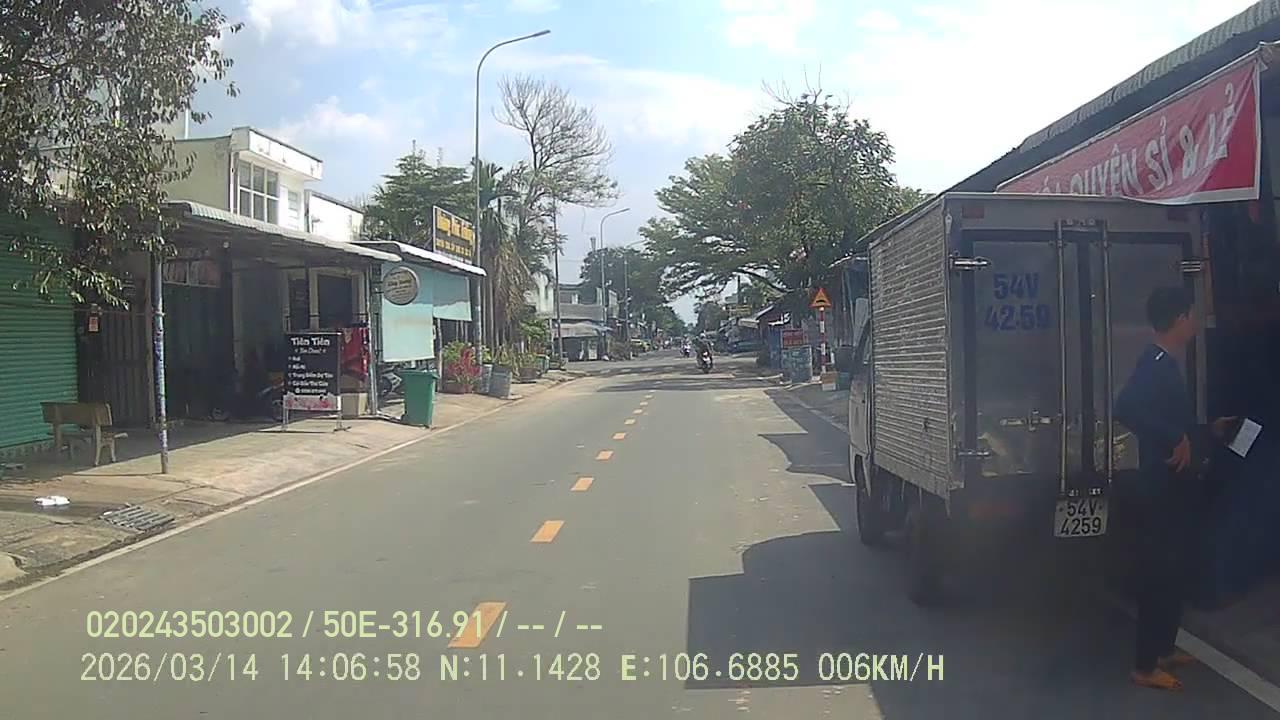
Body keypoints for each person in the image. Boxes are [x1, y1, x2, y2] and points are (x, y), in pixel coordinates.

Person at [1114, 286, 1236, 691]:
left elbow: (1176, 425)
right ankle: (1144, 666)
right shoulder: (1155, 362)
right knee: (1159, 573)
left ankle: (1165, 648)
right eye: (1192, 315)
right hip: (1160, 490)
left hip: (1175, 488)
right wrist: (1172, 437)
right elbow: (1125, 407)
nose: (1196, 323)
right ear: (1179, 319)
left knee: (1175, 570)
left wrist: (1207, 431)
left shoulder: (1166, 363)